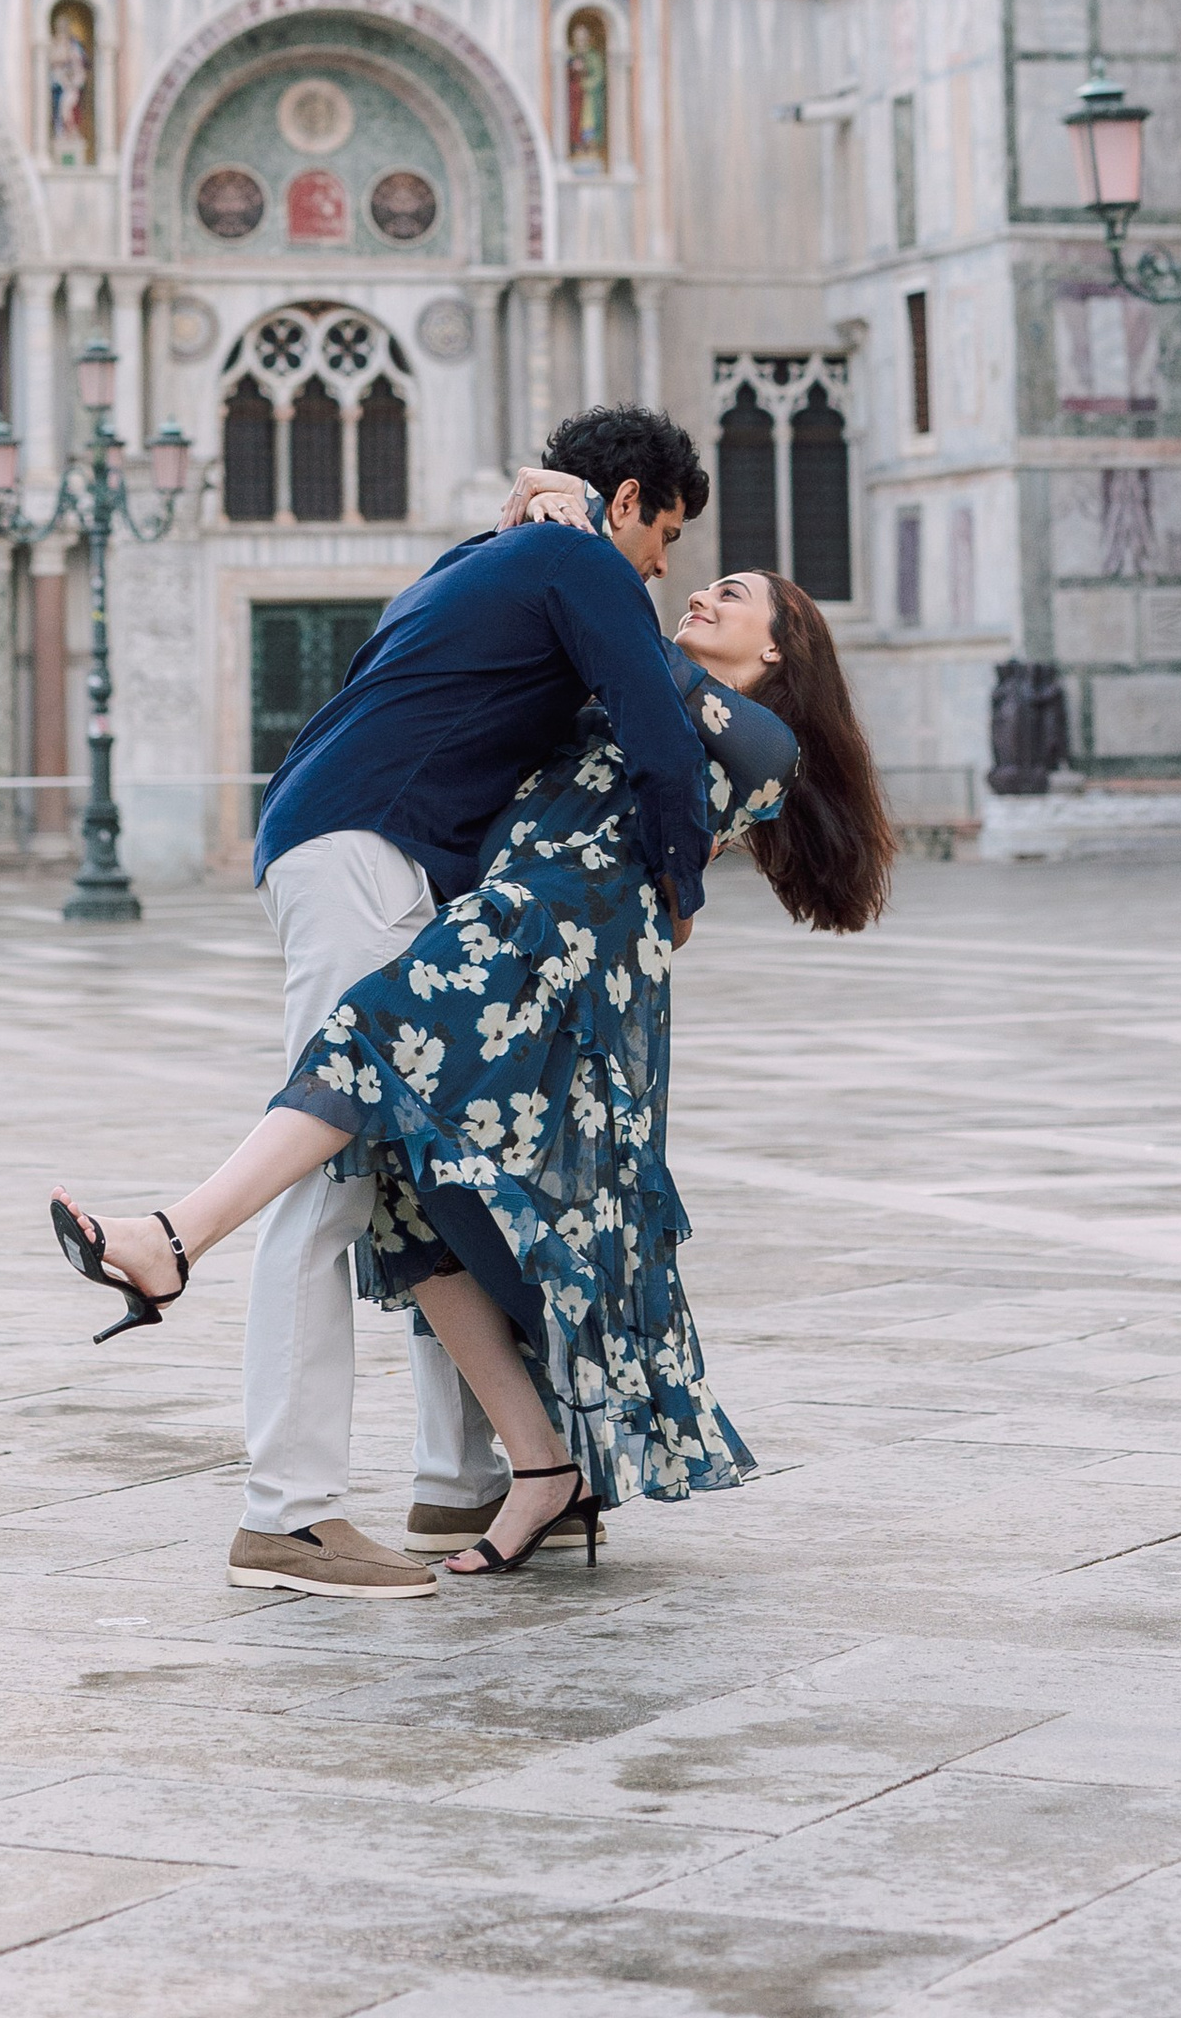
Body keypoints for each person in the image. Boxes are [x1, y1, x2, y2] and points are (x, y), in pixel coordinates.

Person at [54, 550, 898, 1588]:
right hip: (496, 924)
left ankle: (168, 1237)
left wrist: (586, 556)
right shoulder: (634, 693)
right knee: (406, 1193)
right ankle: (537, 1460)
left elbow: (666, 710)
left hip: (561, 955)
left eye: (730, 594)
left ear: (776, 646)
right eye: (699, 580)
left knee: (362, 1048)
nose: (698, 593)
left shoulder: (762, 742)